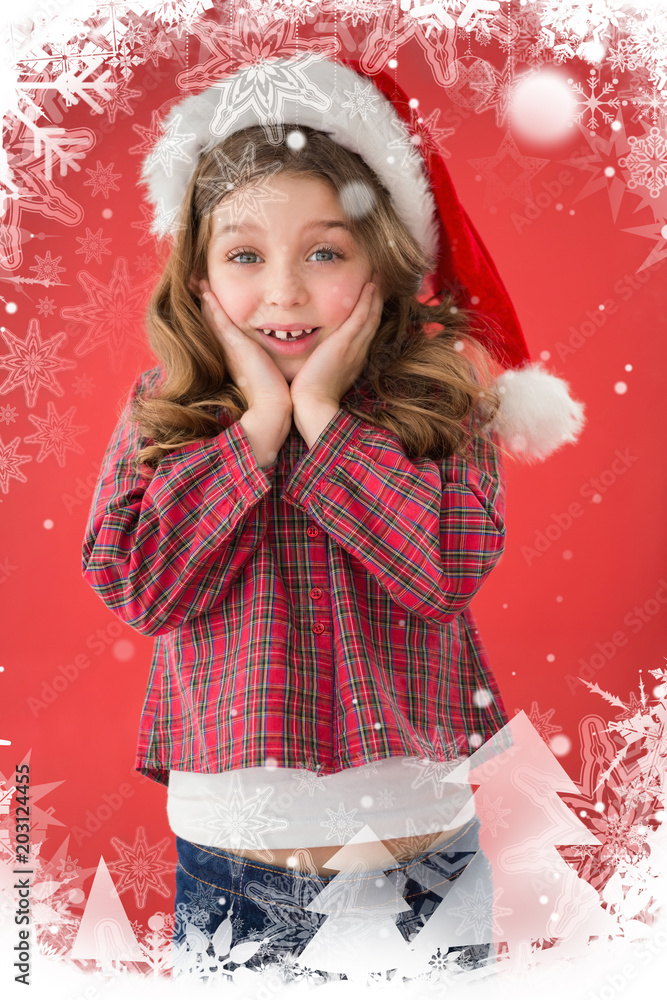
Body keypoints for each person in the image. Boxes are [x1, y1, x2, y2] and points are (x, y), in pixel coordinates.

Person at [81, 54, 585, 982]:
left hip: (417, 843)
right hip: (234, 853)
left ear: (379, 262)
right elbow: (139, 587)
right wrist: (257, 434)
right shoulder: (168, 409)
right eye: (244, 256)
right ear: (197, 277)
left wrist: (320, 417)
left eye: (324, 251)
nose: (284, 291)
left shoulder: (437, 403)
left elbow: (440, 572)